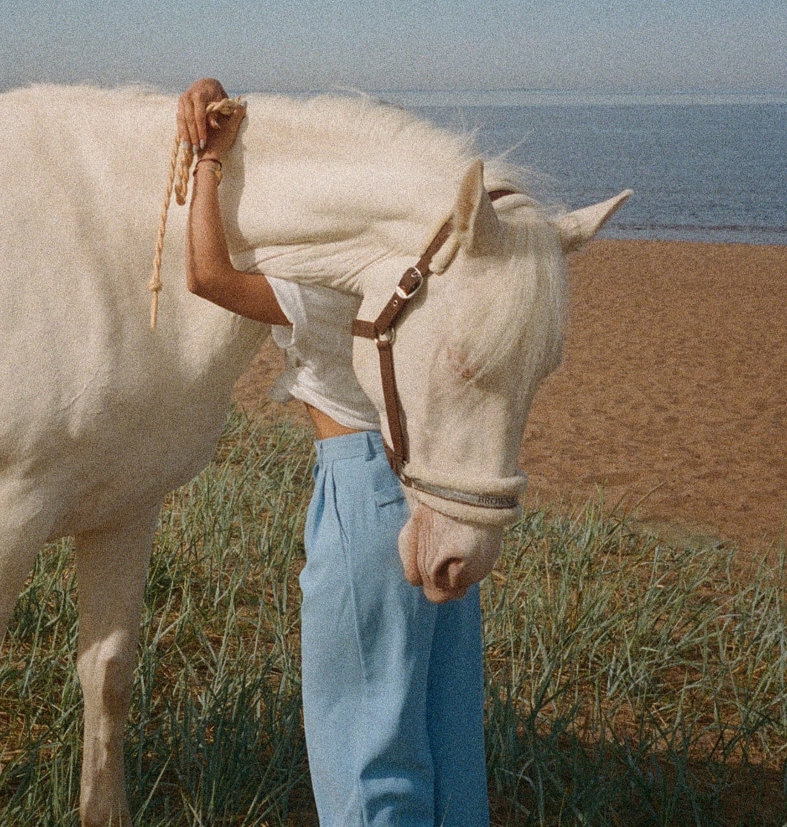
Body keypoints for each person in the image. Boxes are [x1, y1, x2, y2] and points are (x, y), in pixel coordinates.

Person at [177, 79, 491, 826]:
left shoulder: (323, 280)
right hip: (425, 484)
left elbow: (206, 275)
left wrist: (207, 166)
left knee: (367, 739)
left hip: (360, 492)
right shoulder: (409, 274)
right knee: (444, 728)